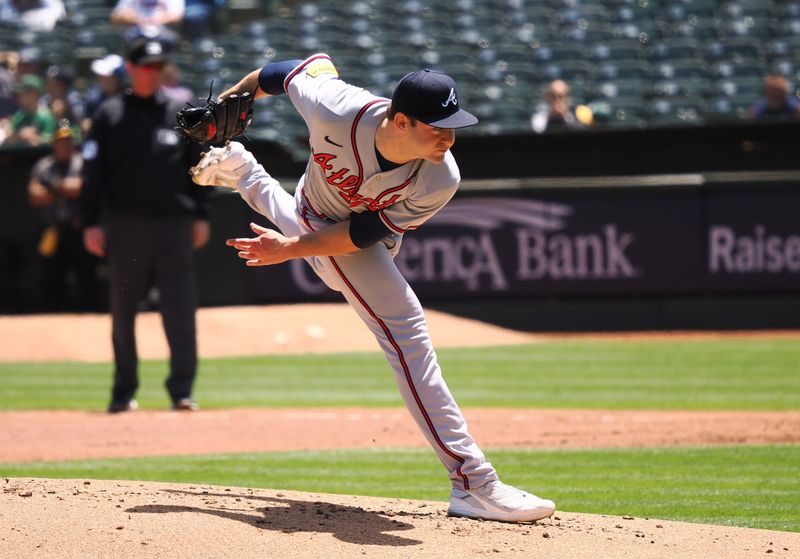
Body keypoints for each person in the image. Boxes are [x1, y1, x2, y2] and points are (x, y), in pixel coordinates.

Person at [187, 54, 556, 523]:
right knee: (407, 331)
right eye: (437, 125)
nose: (449, 136)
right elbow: (288, 71)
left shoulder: (441, 176)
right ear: (399, 120)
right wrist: (229, 102)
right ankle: (474, 483)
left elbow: (361, 235)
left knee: (325, 254)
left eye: (454, 124)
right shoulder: (336, 106)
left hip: (358, 232)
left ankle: (243, 172)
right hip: (316, 208)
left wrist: (291, 249)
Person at [81, 36, 211, 413]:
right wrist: (91, 222)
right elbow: (94, 174)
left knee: (180, 310)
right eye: (147, 66)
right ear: (130, 68)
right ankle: (123, 392)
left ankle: (182, 391)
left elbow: (199, 168)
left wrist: (201, 214)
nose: (154, 73)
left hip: (174, 225)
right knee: (123, 312)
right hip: (125, 227)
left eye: (159, 67)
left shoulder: (179, 112)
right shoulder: (109, 114)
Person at [28, 123, 101, 311]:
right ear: (54, 143)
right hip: (53, 229)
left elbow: (80, 189)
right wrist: (63, 189)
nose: (64, 145)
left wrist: (53, 186)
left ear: (73, 143)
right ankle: (51, 313)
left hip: (78, 229)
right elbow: (34, 195)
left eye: (67, 141)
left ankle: (88, 311)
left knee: (86, 275)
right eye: (60, 141)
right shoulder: (44, 165)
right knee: (49, 276)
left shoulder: (82, 162)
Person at [2, 73, 56, 147]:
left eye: (21, 94)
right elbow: (8, 140)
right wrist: (14, 134)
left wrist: (35, 138)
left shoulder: (46, 116)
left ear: (33, 94)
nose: (17, 97)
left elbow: (51, 143)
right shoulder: (19, 115)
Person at [82, 54, 127, 135]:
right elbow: (76, 133)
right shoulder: (93, 101)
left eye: (107, 76)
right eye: (101, 75)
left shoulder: (129, 101)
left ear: (118, 79)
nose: (101, 79)